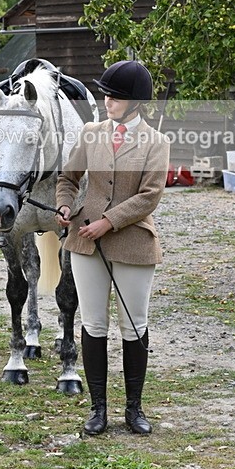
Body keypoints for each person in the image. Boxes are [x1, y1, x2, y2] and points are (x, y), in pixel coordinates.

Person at [55, 60, 170, 436]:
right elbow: (68, 178)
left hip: (133, 242)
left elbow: (149, 196)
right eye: (106, 94)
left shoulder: (156, 142)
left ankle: (134, 408)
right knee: (93, 324)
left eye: (116, 96)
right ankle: (98, 408)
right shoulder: (90, 133)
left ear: (135, 101)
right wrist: (65, 205)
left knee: (134, 324)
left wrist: (109, 221)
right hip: (85, 241)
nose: (107, 101)